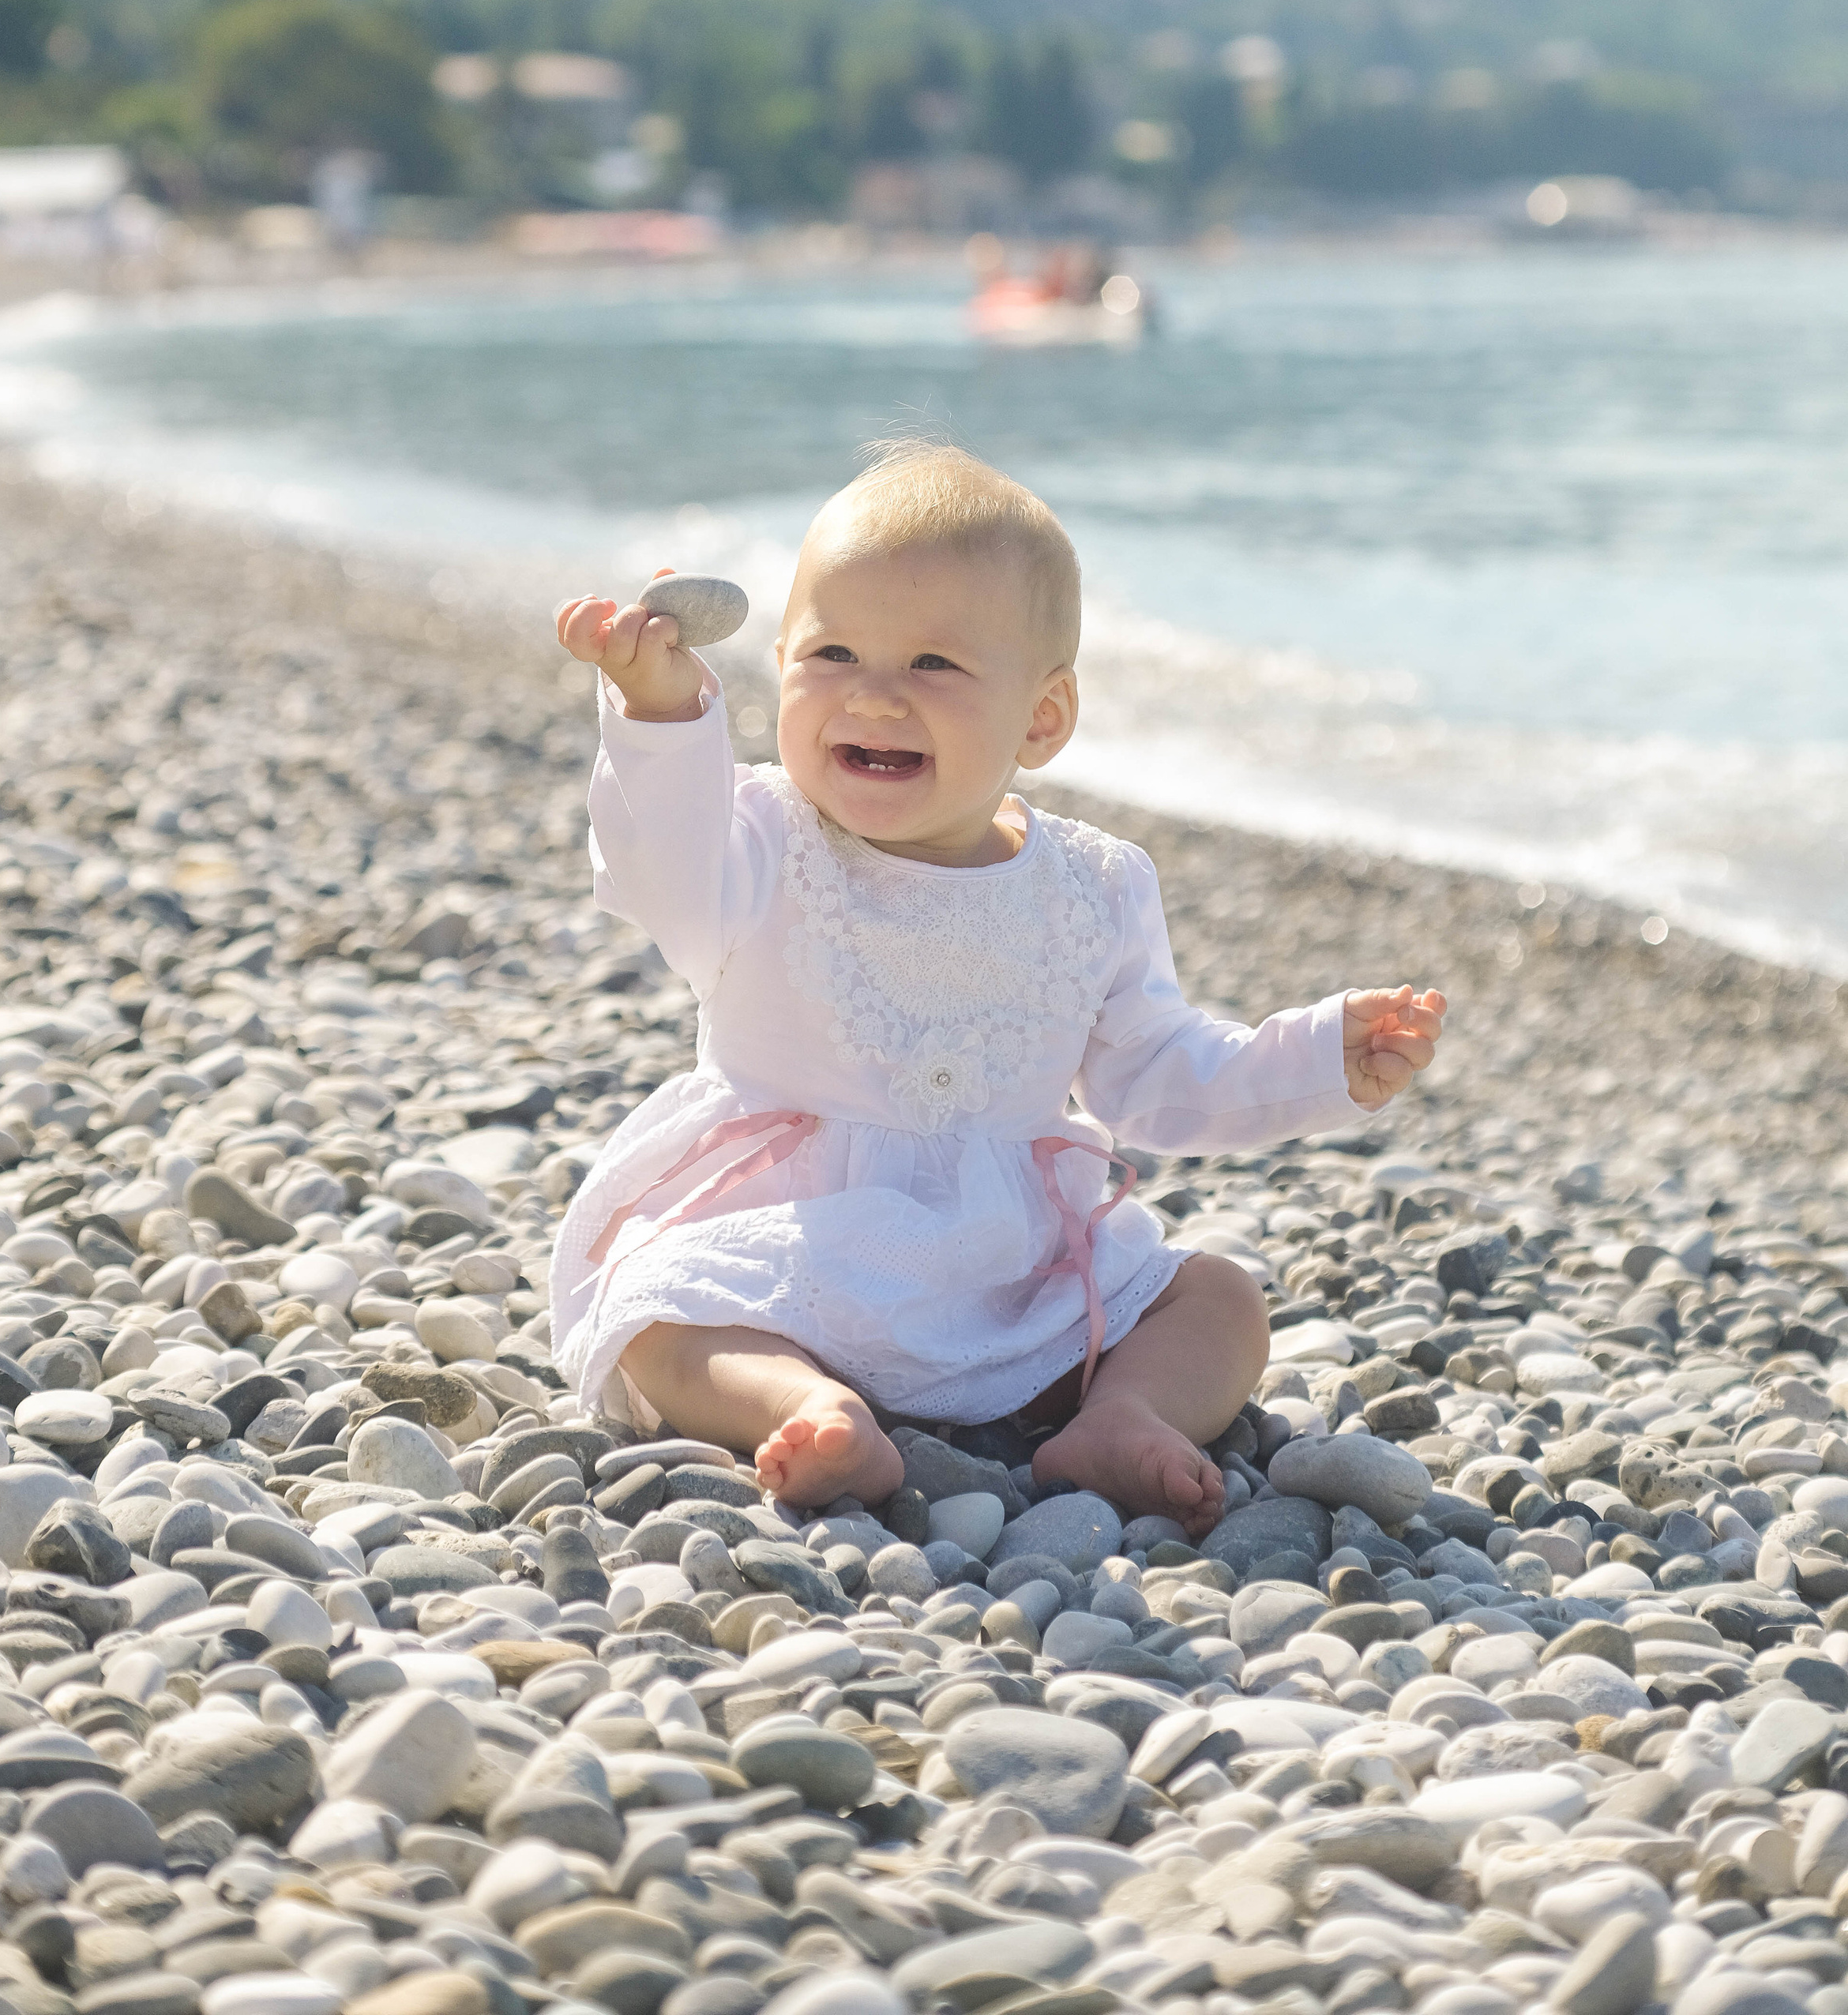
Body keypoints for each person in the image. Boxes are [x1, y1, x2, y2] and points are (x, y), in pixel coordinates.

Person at [550, 441, 1445, 1526]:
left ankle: (1122, 1418)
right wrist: (659, 715)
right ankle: (810, 1402)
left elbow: (1157, 1076)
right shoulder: (755, 843)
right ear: (777, 664)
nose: (873, 697)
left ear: (1043, 719)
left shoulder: (1093, 885)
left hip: (1013, 1264)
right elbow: (659, 863)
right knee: (658, 1320)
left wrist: (1315, 1057)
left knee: (1219, 1300)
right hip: (791, 1239)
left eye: (933, 666)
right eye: (832, 653)